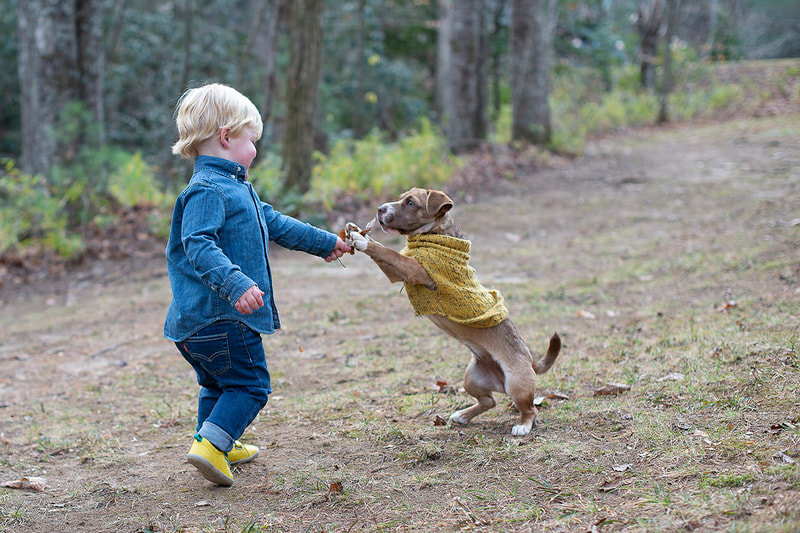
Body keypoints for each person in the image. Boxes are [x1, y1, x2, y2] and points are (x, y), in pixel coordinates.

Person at [164, 83, 351, 486]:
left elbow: (276, 223)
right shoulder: (207, 191)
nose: (256, 150)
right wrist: (234, 284)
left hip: (199, 325)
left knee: (217, 384)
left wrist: (326, 243)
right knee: (251, 385)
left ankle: (219, 442)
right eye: (253, 140)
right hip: (223, 318)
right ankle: (211, 446)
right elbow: (197, 244)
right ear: (227, 137)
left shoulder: (236, 188)